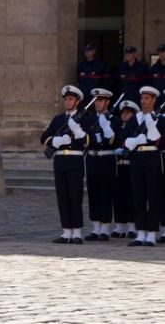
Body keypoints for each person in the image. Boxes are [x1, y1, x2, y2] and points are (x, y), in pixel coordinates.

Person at [40, 85, 91, 244]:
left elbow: (90, 140)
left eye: (70, 99)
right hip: (60, 160)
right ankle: (66, 231)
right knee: (62, 196)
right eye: (66, 99)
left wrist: (79, 133)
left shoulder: (84, 118)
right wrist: (56, 140)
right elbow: (44, 137)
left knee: (75, 196)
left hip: (75, 160)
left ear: (77, 101)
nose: (67, 102)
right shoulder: (58, 119)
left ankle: (76, 232)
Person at [122, 86, 163, 247]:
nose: (144, 101)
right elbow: (123, 139)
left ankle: (151, 233)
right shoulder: (134, 119)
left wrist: (152, 127)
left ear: (154, 100)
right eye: (142, 98)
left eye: (147, 98)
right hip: (137, 158)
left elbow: (161, 142)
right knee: (138, 195)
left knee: (153, 195)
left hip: (152, 157)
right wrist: (132, 142)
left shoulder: (159, 119)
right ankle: (140, 233)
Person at [84, 88, 117, 240]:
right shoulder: (89, 119)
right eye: (96, 100)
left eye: (101, 100)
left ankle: (105, 229)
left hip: (107, 160)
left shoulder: (114, 120)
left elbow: (116, 141)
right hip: (92, 159)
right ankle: (95, 228)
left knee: (105, 194)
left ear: (107, 102)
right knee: (93, 194)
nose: (98, 103)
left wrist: (106, 128)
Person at [111, 100, 139, 238]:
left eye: (128, 112)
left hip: (131, 165)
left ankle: (132, 225)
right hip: (119, 166)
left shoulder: (136, 129)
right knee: (119, 196)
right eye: (123, 112)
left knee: (132, 196)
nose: (124, 114)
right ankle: (120, 225)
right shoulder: (118, 129)